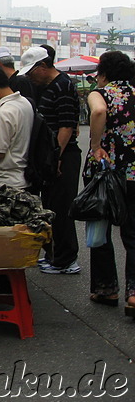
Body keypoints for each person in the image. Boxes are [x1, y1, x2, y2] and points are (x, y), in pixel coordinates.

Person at [20, 45, 82, 275]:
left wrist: (56, 156)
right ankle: (55, 255)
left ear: (43, 67)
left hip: (64, 156)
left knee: (62, 208)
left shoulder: (63, 86)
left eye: (31, 71)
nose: (29, 77)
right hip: (54, 155)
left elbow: (66, 126)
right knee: (52, 206)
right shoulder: (50, 86)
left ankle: (66, 259)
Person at [83, 51, 135, 310]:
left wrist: (94, 145)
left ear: (103, 73)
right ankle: (134, 293)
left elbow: (99, 111)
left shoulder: (100, 93)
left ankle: (107, 289)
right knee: (133, 233)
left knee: (101, 228)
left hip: (108, 171)